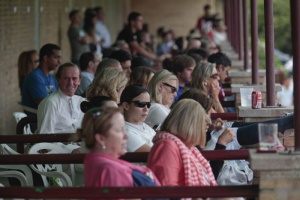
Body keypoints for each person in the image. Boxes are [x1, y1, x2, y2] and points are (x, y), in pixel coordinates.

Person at [74, 107, 161, 188]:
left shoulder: (97, 161)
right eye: (120, 130)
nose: (126, 136)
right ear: (101, 139)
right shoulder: (109, 170)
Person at [147, 99, 217, 186]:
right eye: (203, 125)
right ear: (192, 126)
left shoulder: (188, 147)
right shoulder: (167, 146)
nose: (203, 131)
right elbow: (168, 189)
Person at [37, 62, 84, 135]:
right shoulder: (51, 103)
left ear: (79, 81)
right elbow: (45, 137)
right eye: (66, 78)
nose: (71, 83)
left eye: (74, 78)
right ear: (58, 79)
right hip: (56, 146)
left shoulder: (82, 102)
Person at [22, 44, 61, 115]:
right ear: (46, 58)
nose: (59, 62)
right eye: (56, 58)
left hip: (51, 117)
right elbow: (44, 104)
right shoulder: (34, 77)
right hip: (37, 121)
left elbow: (60, 96)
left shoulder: (52, 77)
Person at [121, 85, 156, 152]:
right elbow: (154, 154)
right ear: (126, 106)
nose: (146, 109)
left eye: (148, 105)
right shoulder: (125, 132)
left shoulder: (144, 126)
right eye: (141, 104)